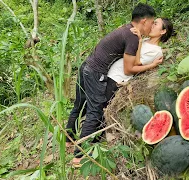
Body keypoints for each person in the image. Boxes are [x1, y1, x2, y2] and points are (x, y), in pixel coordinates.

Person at [66, 3, 158, 166]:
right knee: (95, 110)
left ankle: (69, 139)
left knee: (79, 104)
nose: (151, 27)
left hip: (86, 66)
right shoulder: (131, 37)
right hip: (95, 73)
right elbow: (129, 69)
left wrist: (139, 39)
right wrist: (153, 65)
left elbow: (132, 59)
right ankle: (79, 156)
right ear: (144, 21)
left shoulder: (126, 29)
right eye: (152, 23)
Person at [107, 18, 174, 86]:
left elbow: (136, 63)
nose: (151, 25)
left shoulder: (156, 51)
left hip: (117, 78)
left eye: (155, 24)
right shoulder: (145, 40)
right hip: (111, 72)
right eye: (152, 23)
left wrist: (139, 41)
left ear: (163, 31)